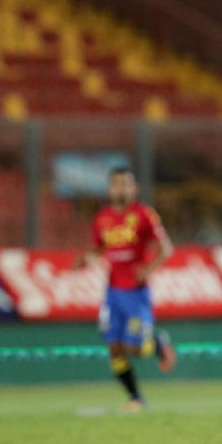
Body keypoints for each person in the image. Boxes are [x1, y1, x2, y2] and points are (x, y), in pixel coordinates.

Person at [73, 167, 176, 411]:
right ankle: (135, 397)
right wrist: (87, 259)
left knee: (136, 348)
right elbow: (100, 248)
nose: (121, 188)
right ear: (110, 188)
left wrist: (148, 269)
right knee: (114, 348)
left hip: (136, 293)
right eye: (117, 184)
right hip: (112, 292)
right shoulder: (102, 219)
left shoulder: (144, 215)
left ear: (134, 188)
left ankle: (157, 344)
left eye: (126, 184)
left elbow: (166, 248)